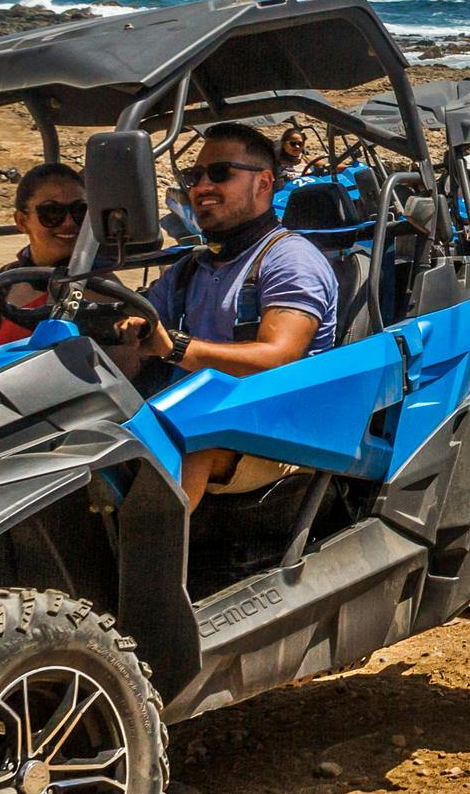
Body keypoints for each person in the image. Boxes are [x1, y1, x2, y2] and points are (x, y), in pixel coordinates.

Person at [122, 122, 340, 508]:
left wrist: (176, 348)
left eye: (220, 173)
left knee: (193, 443)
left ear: (264, 183)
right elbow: (140, 335)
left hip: (279, 431)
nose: (202, 186)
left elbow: (278, 358)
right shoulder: (191, 269)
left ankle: (149, 562)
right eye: (194, 175)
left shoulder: (290, 260)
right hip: (192, 412)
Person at [0, 162, 87, 349]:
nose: (68, 223)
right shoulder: (0, 286)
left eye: (79, 211)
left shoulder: (103, 288)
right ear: (22, 221)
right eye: (52, 212)